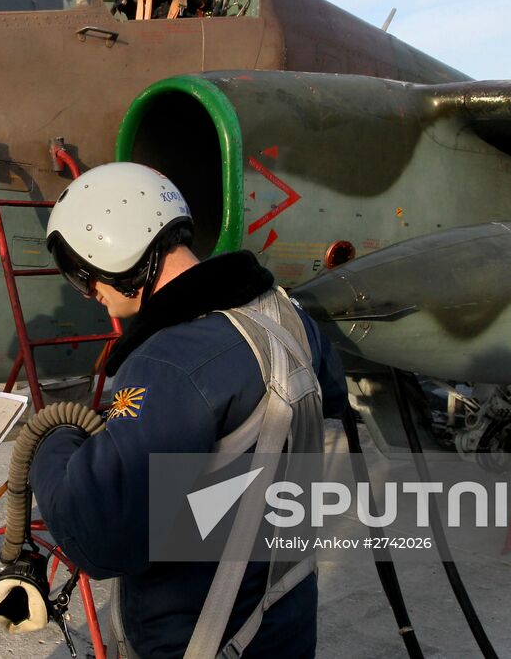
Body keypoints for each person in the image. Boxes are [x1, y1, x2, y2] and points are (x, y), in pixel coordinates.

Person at [30, 162, 347, 658]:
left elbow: (100, 536)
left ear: (115, 251)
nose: (89, 291)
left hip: (199, 638)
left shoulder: (168, 363)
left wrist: (53, 443)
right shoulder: (284, 316)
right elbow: (329, 398)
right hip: (284, 624)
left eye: (82, 273)